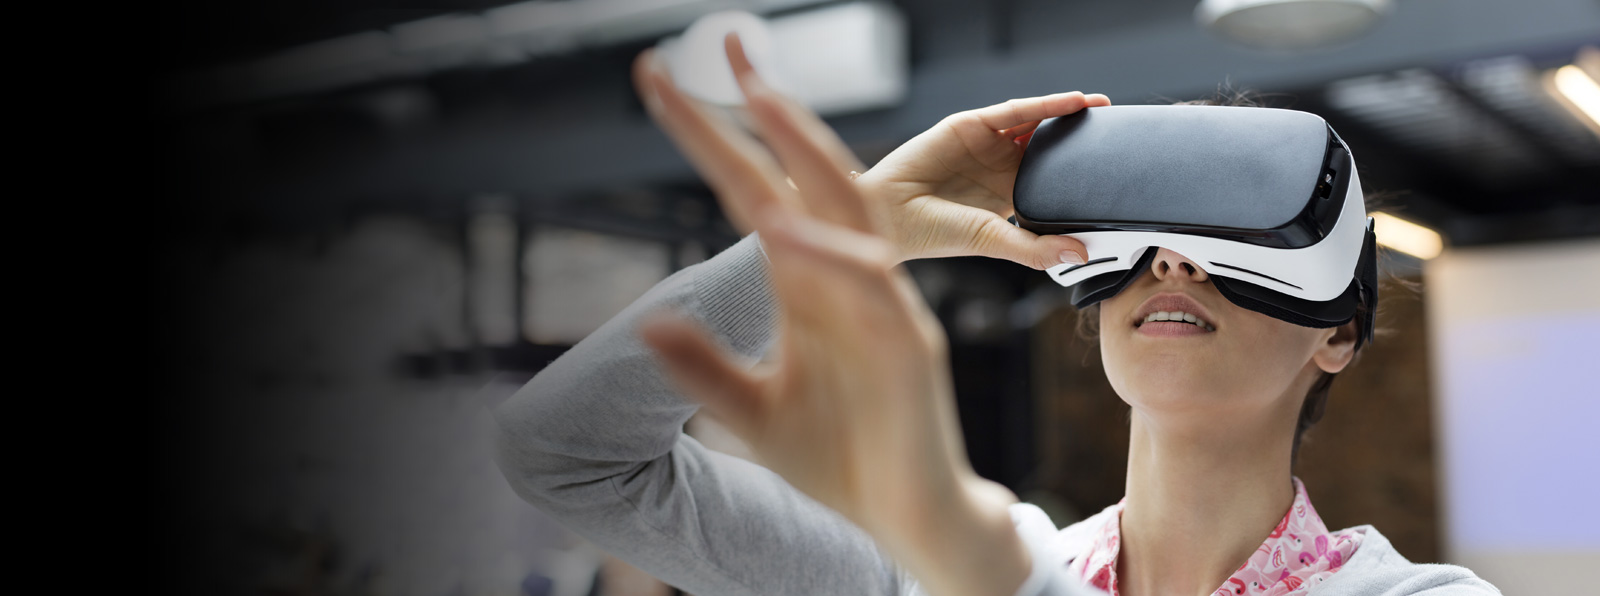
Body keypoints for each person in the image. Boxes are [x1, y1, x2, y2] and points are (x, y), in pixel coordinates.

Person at [493, 36, 1499, 596]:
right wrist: (828, 239)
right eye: (1146, 233)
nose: (1174, 260)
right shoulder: (923, 564)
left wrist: (976, 563)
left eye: (1224, 233)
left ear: (1336, 330)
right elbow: (565, 451)